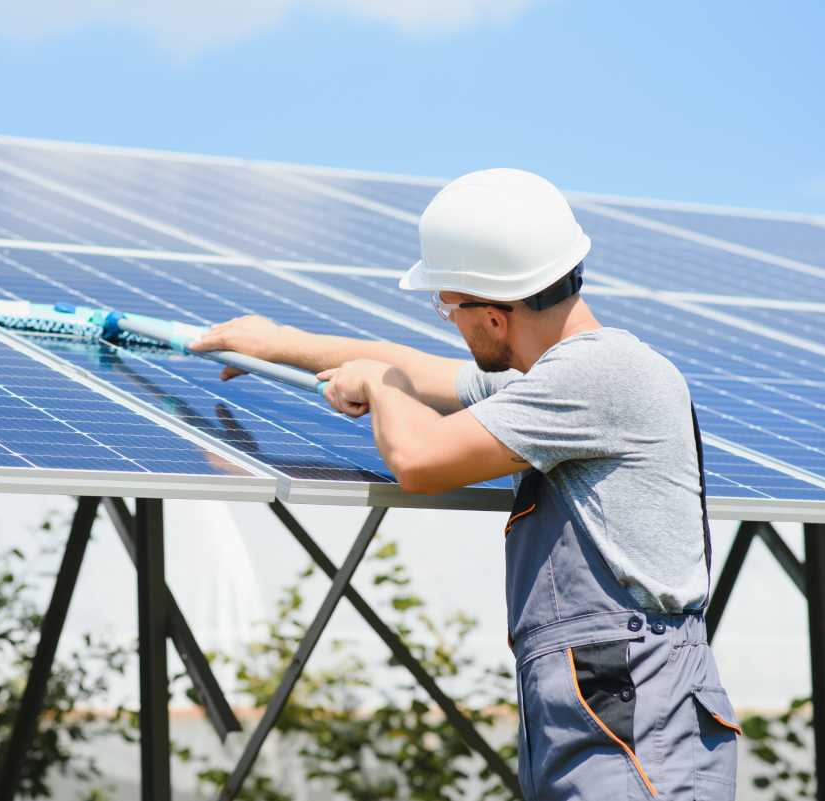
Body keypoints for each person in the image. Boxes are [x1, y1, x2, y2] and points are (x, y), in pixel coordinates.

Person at [190, 168, 742, 800]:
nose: (448, 322)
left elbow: (419, 458)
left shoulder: (596, 379)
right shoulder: (564, 379)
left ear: (496, 317)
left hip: (633, 699)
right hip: (606, 695)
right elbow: (421, 370)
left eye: (448, 308)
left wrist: (378, 386)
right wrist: (278, 344)